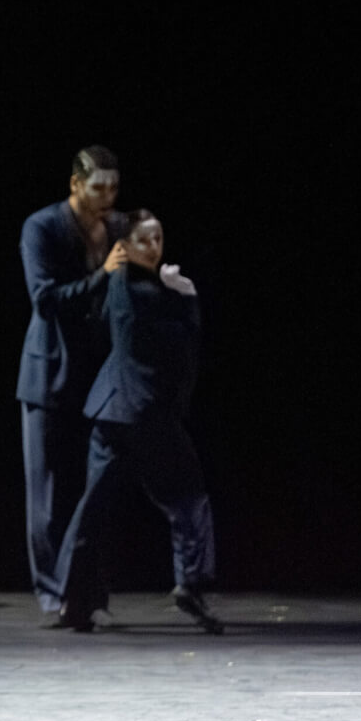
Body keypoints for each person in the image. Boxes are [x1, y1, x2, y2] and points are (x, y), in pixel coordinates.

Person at [53, 210, 221, 634]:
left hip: (114, 409)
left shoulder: (130, 286)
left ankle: (79, 602)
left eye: (158, 238)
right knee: (186, 498)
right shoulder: (136, 289)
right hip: (143, 414)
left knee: (98, 507)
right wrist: (186, 299)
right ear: (125, 246)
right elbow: (160, 343)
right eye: (144, 239)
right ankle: (190, 583)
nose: (154, 247)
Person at [17, 145, 128, 627]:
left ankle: (88, 594)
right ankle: (54, 595)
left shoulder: (120, 227)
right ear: (75, 185)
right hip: (49, 377)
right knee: (47, 496)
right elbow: (44, 300)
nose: (108, 197)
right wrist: (102, 276)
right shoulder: (42, 227)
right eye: (99, 188)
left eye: (114, 188)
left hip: (99, 377)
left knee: (95, 492)